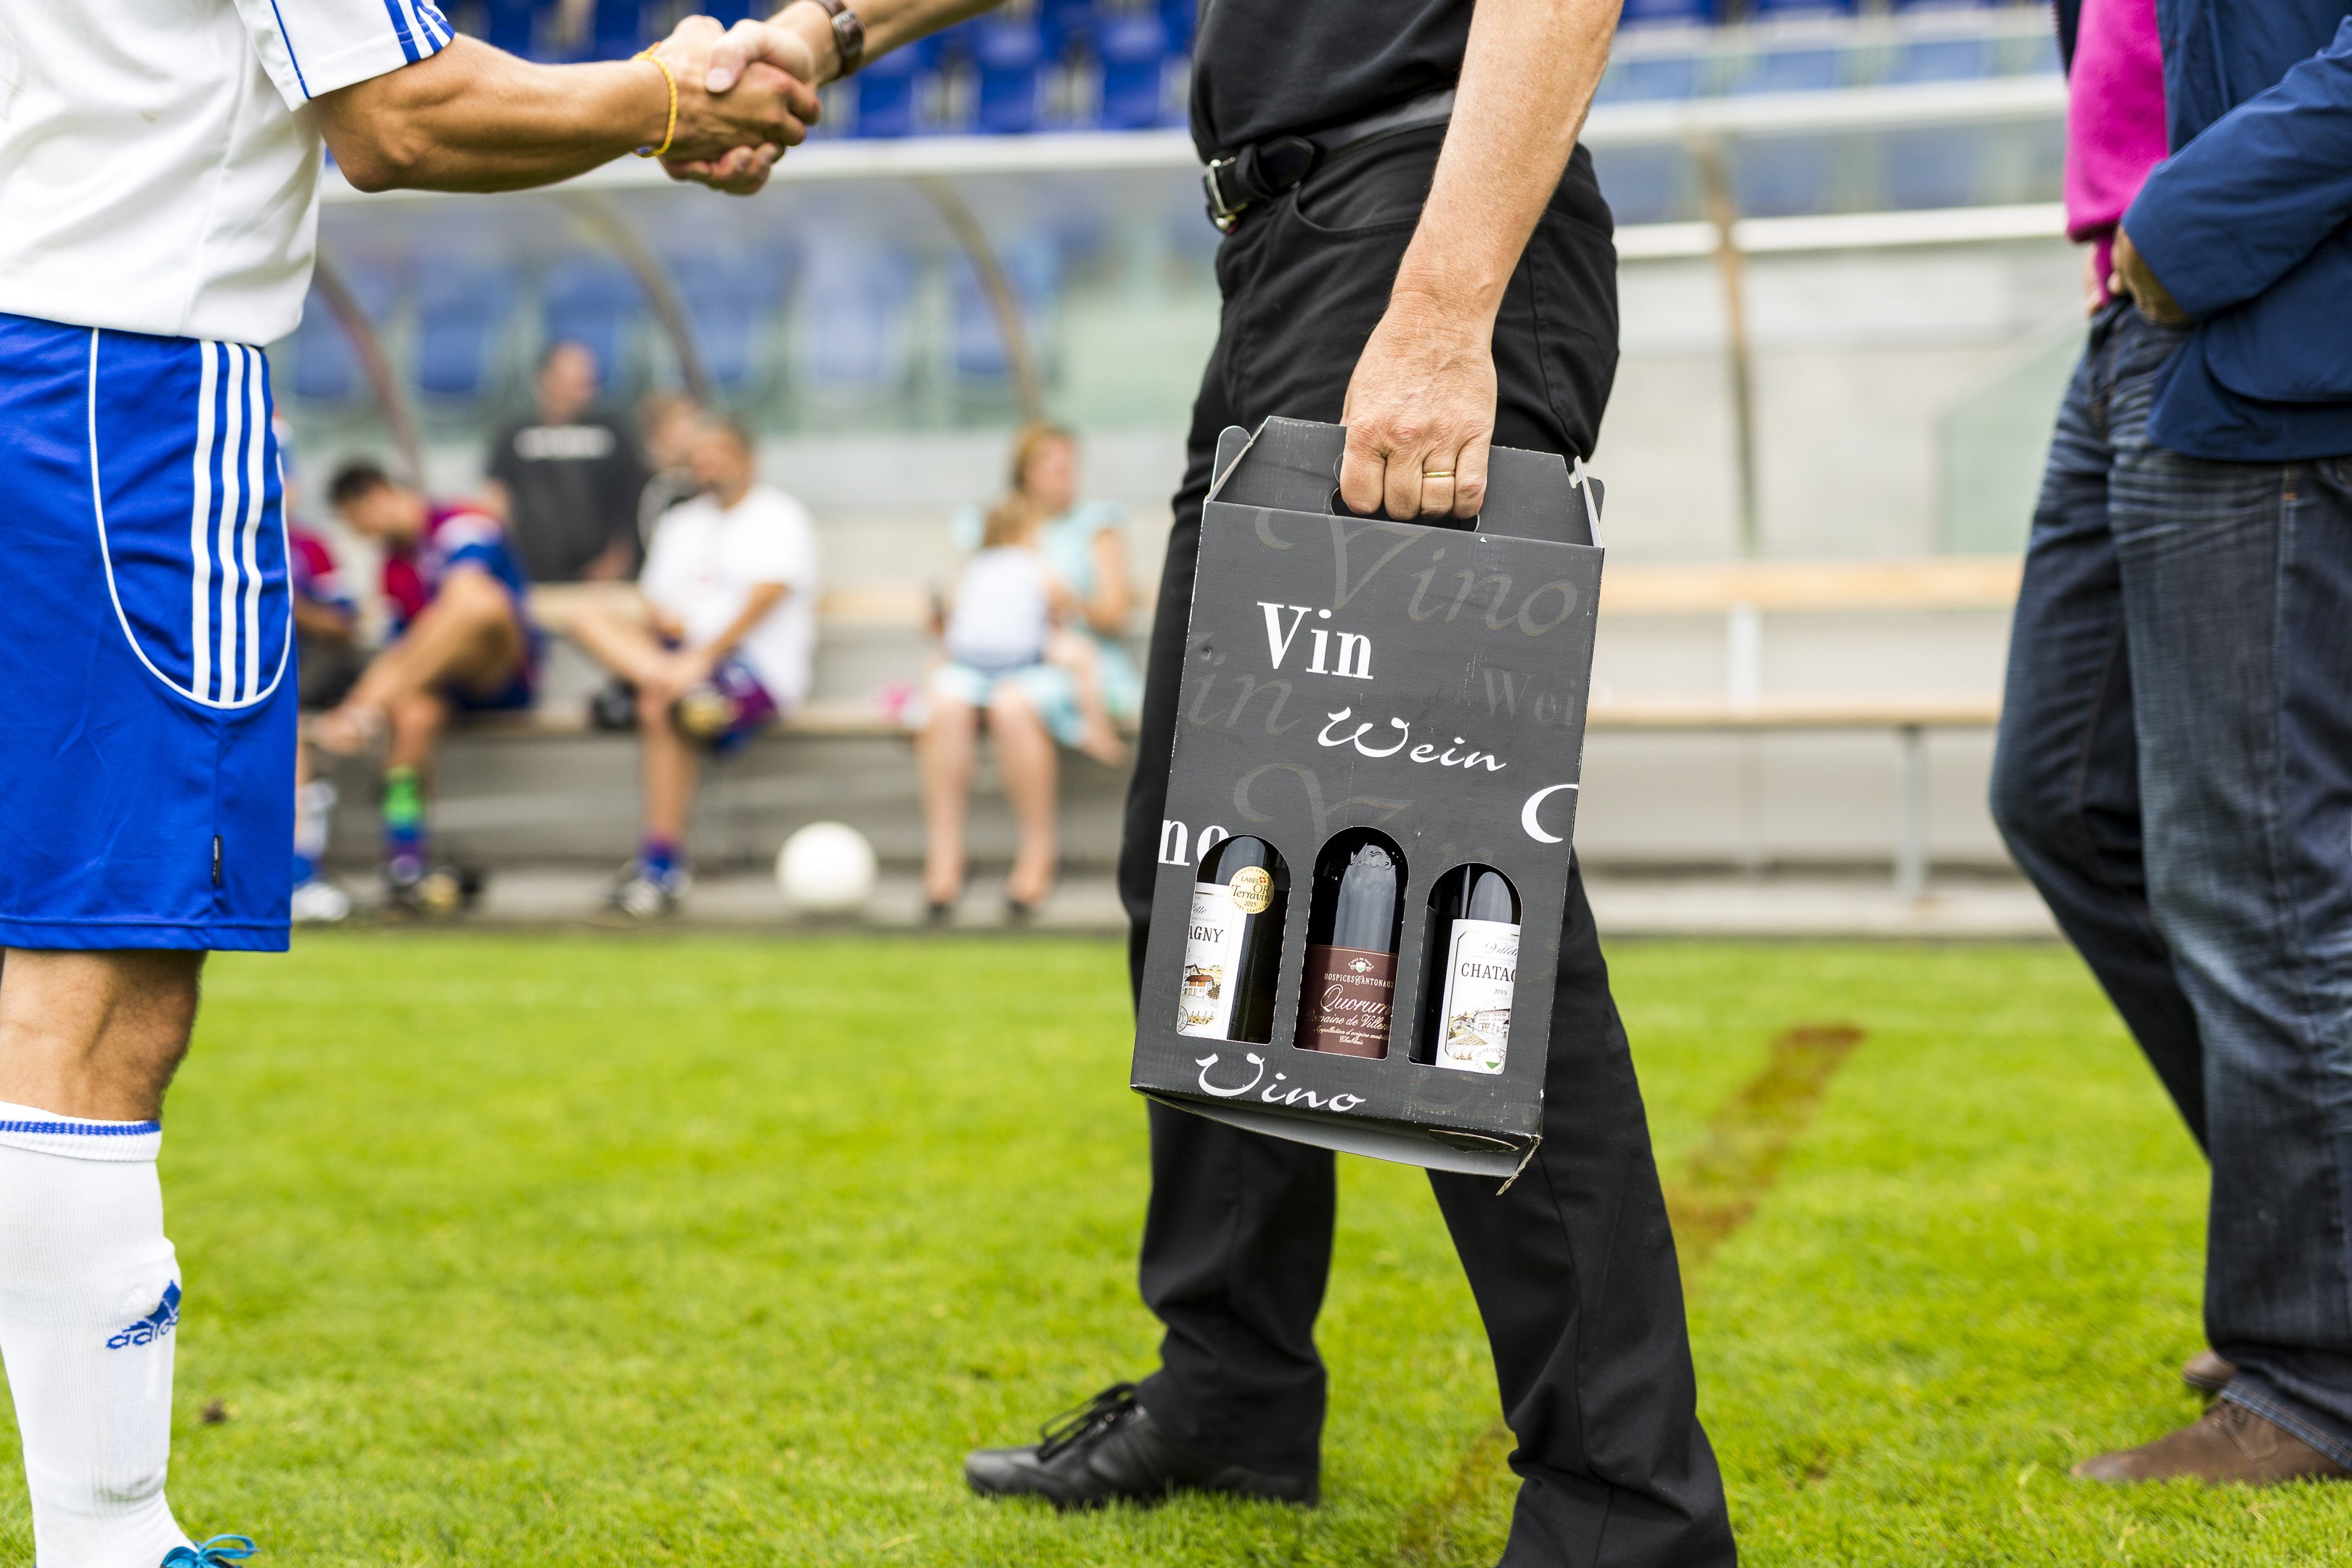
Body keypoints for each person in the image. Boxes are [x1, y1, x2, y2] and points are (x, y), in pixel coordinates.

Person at [702, 1, 1736, 1557]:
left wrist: (1444, 306)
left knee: (1450, 890)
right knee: (1211, 870)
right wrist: (834, 29)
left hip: (1421, 230)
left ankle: (1624, 1514)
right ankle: (1235, 1392)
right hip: (1287, 259)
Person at [0, 0, 812, 1553]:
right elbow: (400, 118)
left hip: (40, 367)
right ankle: (109, 1543)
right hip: (120, 396)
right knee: (96, 991)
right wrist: (664, 95)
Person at [1994, 0, 2352, 1487]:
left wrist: (2187, 222)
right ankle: (2326, 1261)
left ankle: (2320, 1379)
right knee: (2065, 798)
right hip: (2136, 317)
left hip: (2250, 299)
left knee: (2259, 873)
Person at [567, 418, 820, 919]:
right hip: (679, 662)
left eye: (718, 454)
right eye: (700, 458)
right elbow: (656, 600)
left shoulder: (780, 516)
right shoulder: (681, 522)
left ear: (749, 458)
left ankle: (661, 868)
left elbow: (765, 598)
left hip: (756, 671)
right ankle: (678, 688)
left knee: (656, 702)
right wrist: (671, 638)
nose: (708, 466)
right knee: (589, 618)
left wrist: (701, 656)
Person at [314, 462, 540, 915]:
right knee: (411, 714)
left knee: (476, 600)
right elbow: (405, 653)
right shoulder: (394, 567)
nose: (361, 535)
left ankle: (360, 710)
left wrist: (370, 696)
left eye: (357, 521)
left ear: (377, 494)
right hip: (442, 682)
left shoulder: (462, 521)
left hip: (500, 671)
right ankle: (406, 863)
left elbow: (467, 597)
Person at [920, 492, 1122, 922]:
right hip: (1014, 658)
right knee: (946, 705)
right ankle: (946, 856)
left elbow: (949, 625)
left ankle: (1037, 854)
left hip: (995, 666)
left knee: (1010, 706)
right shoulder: (1036, 565)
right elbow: (1061, 605)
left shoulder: (976, 567)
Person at [950, 423, 1143, 747]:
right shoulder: (999, 524)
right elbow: (969, 597)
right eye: (1050, 464)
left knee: (1013, 704)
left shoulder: (1097, 523)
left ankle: (1094, 738)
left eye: (1068, 464)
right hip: (1006, 650)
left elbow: (1115, 616)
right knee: (947, 702)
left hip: (1071, 654)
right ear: (1024, 472)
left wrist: (1070, 601)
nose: (1062, 472)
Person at [486, 341, 653, 584]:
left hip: (601, 578)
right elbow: (499, 501)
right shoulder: (516, 434)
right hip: (533, 575)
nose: (581, 388)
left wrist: (618, 560)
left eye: (586, 380)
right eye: (571, 379)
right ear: (543, 379)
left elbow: (632, 502)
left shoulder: (612, 432)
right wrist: (505, 564)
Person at [288, 521, 364, 924]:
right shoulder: (207, 532)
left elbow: (343, 626)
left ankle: (301, 873)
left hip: (306, 680)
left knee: (287, 728)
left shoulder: (310, 547)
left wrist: (287, 601)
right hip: (221, 679)